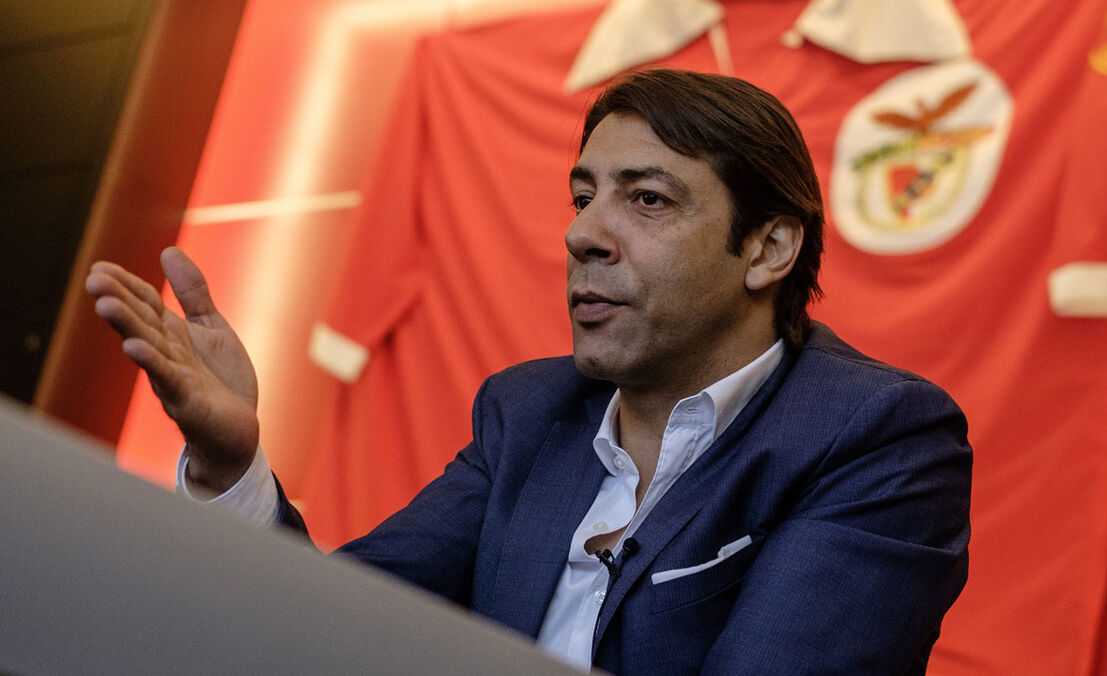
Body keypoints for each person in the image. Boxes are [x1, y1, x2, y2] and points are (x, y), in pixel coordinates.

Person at [86, 69, 971, 674]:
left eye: (647, 199)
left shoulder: (876, 436)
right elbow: (333, 626)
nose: (582, 233)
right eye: (582, 197)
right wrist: (231, 464)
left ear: (769, 247)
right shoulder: (528, 412)